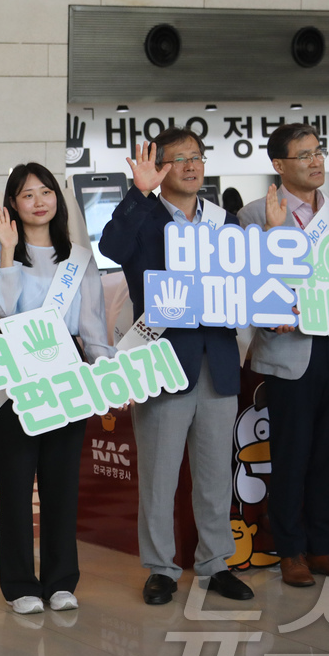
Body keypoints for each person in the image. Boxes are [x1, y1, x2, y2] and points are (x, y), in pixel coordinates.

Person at [98, 129, 253, 606]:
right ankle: (161, 568)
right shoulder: (144, 218)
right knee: (160, 475)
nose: (191, 166)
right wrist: (138, 192)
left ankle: (214, 563)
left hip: (219, 362)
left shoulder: (226, 222)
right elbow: (111, 246)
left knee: (213, 474)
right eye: (180, 159)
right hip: (163, 361)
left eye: (197, 158)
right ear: (161, 168)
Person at [239, 124, 329, 587]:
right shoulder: (254, 214)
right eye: (304, 155)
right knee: (291, 455)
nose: (316, 162)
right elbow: (248, 282)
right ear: (279, 165)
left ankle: (325, 548)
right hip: (289, 350)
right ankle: (290, 551)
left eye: (319, 152)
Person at [0, 163, 113, 615]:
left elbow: (94, 327)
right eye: (27, 195)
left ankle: (61, 580)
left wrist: (111, 374)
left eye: (46, 191)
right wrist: (6, 253)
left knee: (62, 488)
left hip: (68, 381)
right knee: (16, 490)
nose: (39, 201)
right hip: (15, 386)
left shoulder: (79, 257)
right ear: (12, 205)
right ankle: (20, 584)